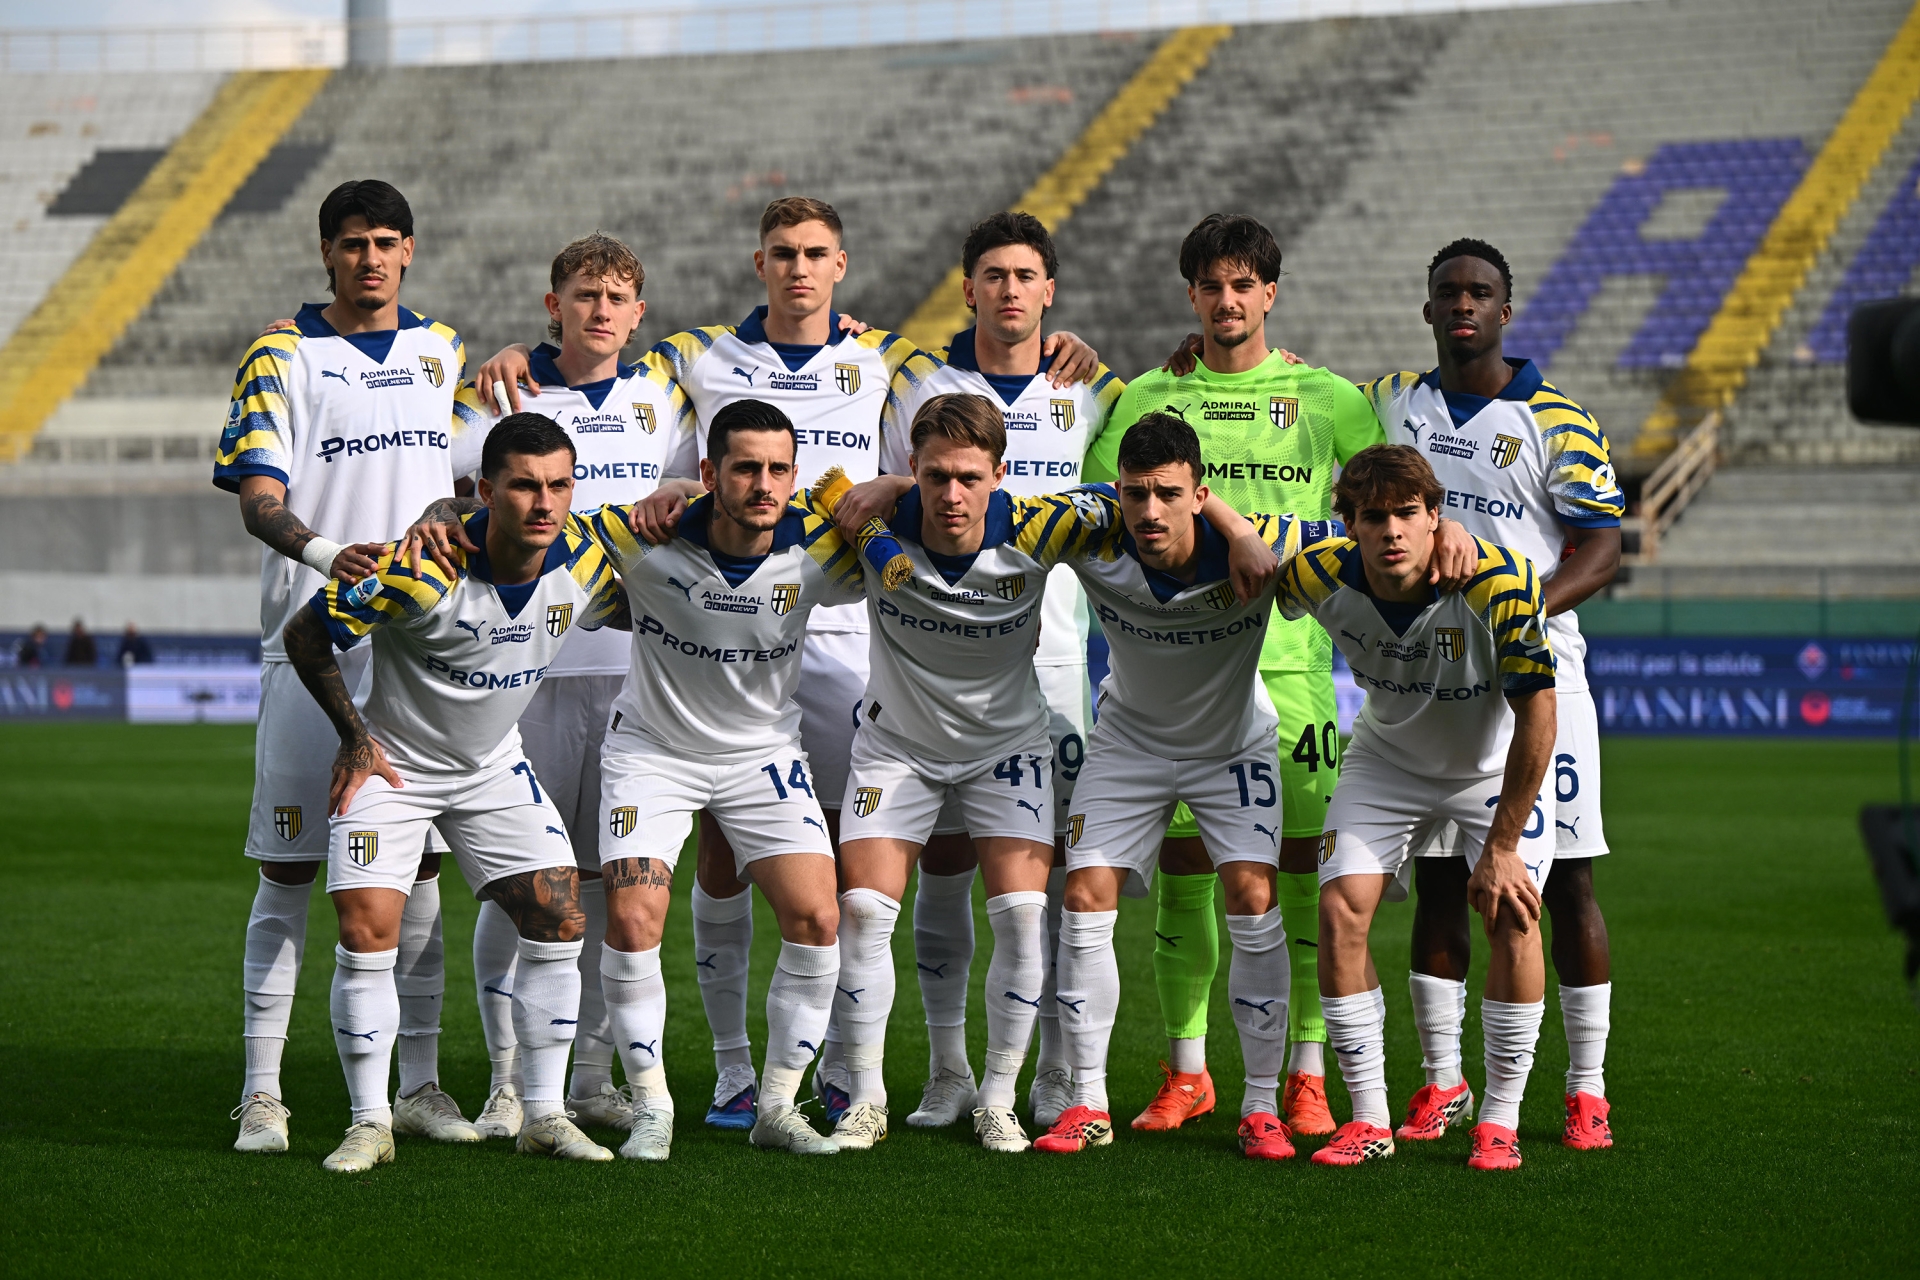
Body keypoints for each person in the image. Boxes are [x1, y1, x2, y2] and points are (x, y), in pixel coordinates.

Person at [523, 196, 1098, 1131]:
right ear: (761, 263)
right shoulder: (697, 355)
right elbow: (599, 364)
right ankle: (730, 1070)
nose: (799, 267)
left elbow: (971, 412)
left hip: (853, 621)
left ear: (841, 266)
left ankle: (841, 1069)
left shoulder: (891, 360)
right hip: (729, 625)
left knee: (843, 874)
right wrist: (524, 360)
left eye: (816, 253)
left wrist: (1063, 349)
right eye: (783, 252)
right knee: (722, 857)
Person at [1086, 214, 1474, 1136]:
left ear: (1269, 293)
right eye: (1210, 286)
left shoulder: (1324, 396)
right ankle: (1188, 1070)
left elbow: (1392, 493)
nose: (1227, 302)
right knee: (1186, 874)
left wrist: (1450, 522)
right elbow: (1101, 502)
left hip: (1295, 671)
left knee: (1301, 873)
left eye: (1242, 285)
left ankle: (1305, 1072)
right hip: (1182, 673)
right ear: (1191, 296)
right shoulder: (1150, 396)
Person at [404, 232, 698, 1141]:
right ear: (553, 305)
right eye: (583, 295)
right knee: (523, 884)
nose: (599, 311)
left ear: (638, 315)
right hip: (519, 670)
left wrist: (682, 491)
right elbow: (440, 497)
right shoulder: (497, 393)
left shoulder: (667, 396)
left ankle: (593, 1076)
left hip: (630, 670)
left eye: (615, 298)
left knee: (606, 886)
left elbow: (712, 480)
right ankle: (506, 1083)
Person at [215, 179, 482, 1155]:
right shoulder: (281, 352)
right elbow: (258, 500)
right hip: (308, 638)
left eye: (386, 241)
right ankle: (262, 1095)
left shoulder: (443, 350)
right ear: (326, 251)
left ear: (409, 249)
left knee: (420, 874)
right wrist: (334, 556)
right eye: (353, 242)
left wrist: (447, 520)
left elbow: (470, 484)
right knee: (288, 868)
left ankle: (418, 1086)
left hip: (418, 650)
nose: (370, 257)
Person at [284, 413, 628, 1171]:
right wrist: (354, 737)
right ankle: (371, 1122)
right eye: (525, 486)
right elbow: (305, 635)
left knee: (559, 914)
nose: (544, 502)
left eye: (559, 485)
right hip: (396, 769)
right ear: (486, 492)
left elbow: (663, 571)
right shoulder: (420, 569)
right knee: (367, 931)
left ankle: (544, 1114)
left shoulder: (584, 558)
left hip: (492, 767)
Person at [844, 211, 1124, 1130]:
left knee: (1049, 891)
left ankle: (1052, 1074)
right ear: (969, 289)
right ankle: (947, 1072)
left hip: (1048, 661)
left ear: (1050, 290)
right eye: (993, 275)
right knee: (943, 867)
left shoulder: (1094, 387)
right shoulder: (914, 377)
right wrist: (892, 488)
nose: (1009, 290)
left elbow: (1131, 494)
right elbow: (884, 485)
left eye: (1025, 275)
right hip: (930, 656)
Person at [1358, 239, 1623, 1151]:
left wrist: (1517, 608)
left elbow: (1603, 549)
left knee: (1565, 884)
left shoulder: (1560, 419)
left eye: (1480, 292)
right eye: (1449, 292)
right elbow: (1308, 408)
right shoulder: (1392, 401)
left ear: (1505, 311)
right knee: (1442, 880)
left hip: (1541, 678)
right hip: (1432, 679)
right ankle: (1444, 1083)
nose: (1464, 304)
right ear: (1429, 309)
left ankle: (1586, 1089)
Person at [1036, 413, 1336, 1159]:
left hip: (1231, 748)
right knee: (1083, 896)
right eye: (1135, 494)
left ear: (1199, 494)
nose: (1149, 511)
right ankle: (1088, 1104)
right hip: (1129, 746)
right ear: (1117, 492)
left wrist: (1451, 534)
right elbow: (984, 507)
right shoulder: (1089, 529)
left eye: (1168, 494)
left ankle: (1260, 1107)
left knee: (1254, 897)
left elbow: (1370, 538)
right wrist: (892, 487)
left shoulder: (1267, 541)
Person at [581, 398, 875, 1158]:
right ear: (709, 473)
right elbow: (529, 531)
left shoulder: (821, 547)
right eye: (745, 468)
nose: (764, 484)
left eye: (779, 469)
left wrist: (892, 487)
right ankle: (652, 1109)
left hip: (762, 757)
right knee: (633, 920)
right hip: (652, 754)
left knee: (818, 918)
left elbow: (939, 520)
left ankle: (776, 1106)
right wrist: (443, 516)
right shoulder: (641, 536)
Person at [1276, 444, 1558, 1171]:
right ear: (1350, 524)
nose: (1392, 531)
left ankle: (1500, 1120)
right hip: (1387, 761)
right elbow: (1220, 531)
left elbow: (1539, 716)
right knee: (1339, 911)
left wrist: (1502, 847)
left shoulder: (1502, 581)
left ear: (1436, 515)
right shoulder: (1316, 570)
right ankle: (1369, 1120)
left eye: (1408, 513)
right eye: (1373, 518)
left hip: (1489, 767)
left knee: (1514, 912)